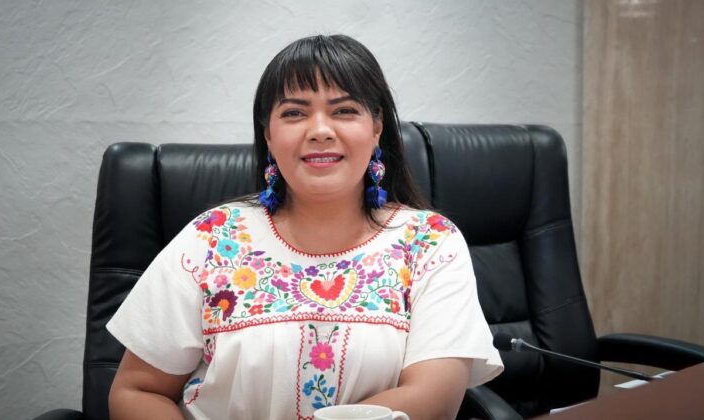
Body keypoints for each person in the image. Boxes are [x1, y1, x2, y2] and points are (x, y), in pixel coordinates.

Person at [107, 34, 503, 420]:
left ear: (376, 127)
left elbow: (434, 400)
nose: (320, 130)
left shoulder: (429, 242)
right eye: (294, 113)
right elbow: (137, 391)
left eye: (344, 110)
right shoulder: (212, 238)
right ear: (268, 133)